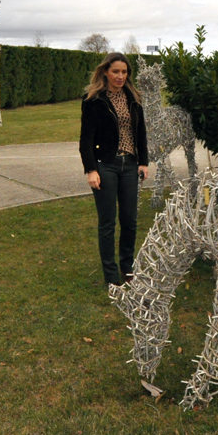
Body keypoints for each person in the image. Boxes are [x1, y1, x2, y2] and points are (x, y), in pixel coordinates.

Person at [79, 52, 149, 286]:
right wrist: (91, 170)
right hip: (105, 166)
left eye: (124, 72)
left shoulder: (133, 97)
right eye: (115, 71)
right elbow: (85, 139)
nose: (120, 76)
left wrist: (143, 161)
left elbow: (141, 133)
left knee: (129, 220)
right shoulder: (93, 100)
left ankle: (127, 268)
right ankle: (111, 276)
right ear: (105, 72)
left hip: (129, 165)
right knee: (107, 222)